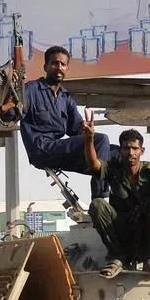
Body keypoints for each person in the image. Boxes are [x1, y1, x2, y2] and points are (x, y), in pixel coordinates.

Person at [19, 46, 117, 200]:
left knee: (118, 153)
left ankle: (125, 204)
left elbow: (76, 130)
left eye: (63, 64)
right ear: (45, 67)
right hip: (42, 149)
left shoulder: (65, 98)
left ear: (67, 69)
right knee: (101, 140)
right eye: (55, 63)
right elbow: (9, 115)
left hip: (59, 150)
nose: (59, 67)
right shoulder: (31, 90)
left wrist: (87, 131)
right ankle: (99, 199)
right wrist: (11, 96)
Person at [83, 119, 150, 278]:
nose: (131, 152)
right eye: (126, 148)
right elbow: (94, 165)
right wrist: (89, 139)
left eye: (135, 148)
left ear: (142, 150)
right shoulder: (113, 168)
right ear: (120, 150)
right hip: (122, 228)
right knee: (97, 204)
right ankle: (119, 257)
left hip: (147, 230)